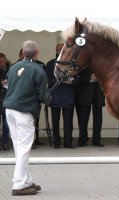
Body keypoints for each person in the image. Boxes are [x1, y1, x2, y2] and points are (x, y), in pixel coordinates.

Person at [4, 40, 51, 196]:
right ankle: (18, 185)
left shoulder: (13, 68)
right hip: (23, 112)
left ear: (23, 53)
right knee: (24, 148)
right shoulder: (38, 70)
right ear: (37, 52)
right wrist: (49, 97)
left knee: (19, 146)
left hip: (9, 110)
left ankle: (26, 180)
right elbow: (44, 96)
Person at [45, 43, 75, 149]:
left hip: (68, 96)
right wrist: (56, 80)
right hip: (55, 96)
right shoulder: (50, 64)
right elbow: (46, 79)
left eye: (62, 49)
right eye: (58, 49)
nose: (60, 50)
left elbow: (78, 79)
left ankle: (68, 142)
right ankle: (56, 142)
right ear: (56, 50)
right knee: (55, 121)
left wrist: (72, 82)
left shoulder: (71, 63)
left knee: (68, 122)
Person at [75, 66, 105, 147]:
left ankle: (96, 141)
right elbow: (78, 78)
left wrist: (99, 78)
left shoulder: (100, 64)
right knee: (83, 119)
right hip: (85, 95)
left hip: (98, 95)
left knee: (98, 120)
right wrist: (90, 78)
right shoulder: (83, 64)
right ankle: (82, 140)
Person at [0, 53, 10, 151]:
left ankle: (5, 143)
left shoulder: (9, 70)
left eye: (3, 61)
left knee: (6, 124)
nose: (2, 64)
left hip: (7, 100)